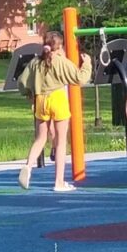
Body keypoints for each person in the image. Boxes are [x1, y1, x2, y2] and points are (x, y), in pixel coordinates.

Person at [17, 32, 92, 192]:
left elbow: (22, 82)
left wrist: (29, 94)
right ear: (59, 47)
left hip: (41, 100)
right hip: (57, 98)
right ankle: (59, 182)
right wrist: (87, 64)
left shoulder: (36, 62)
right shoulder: (60, 61)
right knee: (60, 142)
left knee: (40, 138)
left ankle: (28, 166)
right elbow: (79, 79)